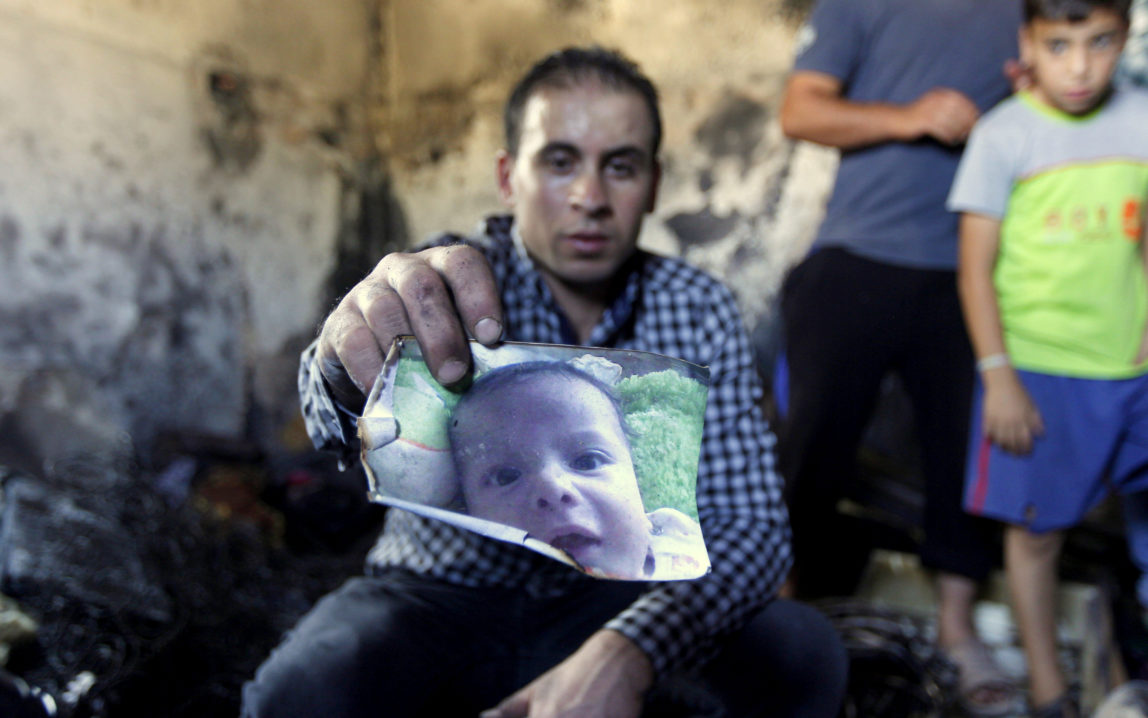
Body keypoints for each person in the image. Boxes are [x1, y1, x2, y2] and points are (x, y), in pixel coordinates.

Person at [242, 46, 848, 718]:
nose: (589, 198)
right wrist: (337, 365)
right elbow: (331, 422)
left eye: (620, 166)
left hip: (617, 597)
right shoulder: (439, 284)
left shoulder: (699, 305)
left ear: (652, 185)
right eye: (559, 162)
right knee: (302, 688)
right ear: (509, 177)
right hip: (438, 595)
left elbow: (753, 523)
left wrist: (631, 649)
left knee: (799, 651)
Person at [776, 1, 1023, 715]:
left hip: (970, 275)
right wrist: (909, 115)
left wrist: (1033, 89)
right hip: (855, 256)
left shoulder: (1025, 12)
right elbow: (800, 112)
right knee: (812, 447)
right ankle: (782, 610)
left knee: (965, 455)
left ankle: (957, 624)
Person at [949, 1, 1148, 714]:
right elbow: (976, 268)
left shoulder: (1141, 119)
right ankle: (1049, 687)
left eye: (1099, 42)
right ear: (1026, 41)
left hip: (1131, 372)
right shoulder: (1005, 134)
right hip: (1040, 373)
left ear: (1125, 35)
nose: (1079, 65)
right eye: (1058, 44)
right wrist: (998, 376)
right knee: (1037, 534)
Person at [450, 360, 706, 580]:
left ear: (636, 484)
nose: (553, 488)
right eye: (506, 476)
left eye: (588, 462)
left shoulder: (679, 539)